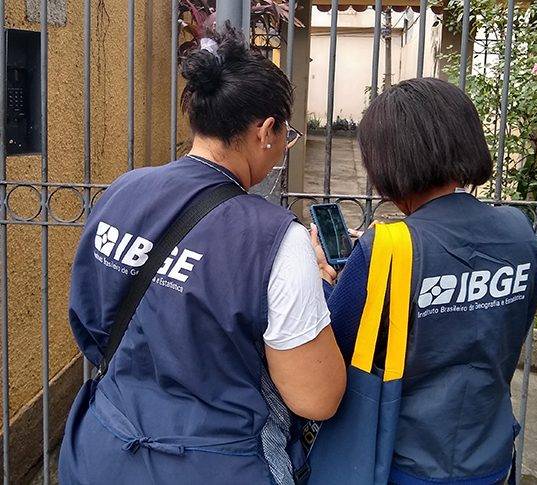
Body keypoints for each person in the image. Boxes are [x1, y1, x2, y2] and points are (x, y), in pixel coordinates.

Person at [59, 26, 345, 485]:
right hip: (217, 464)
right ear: (265, 131)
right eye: (285, 136)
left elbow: (89, 319)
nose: (281, 150)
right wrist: (317, 286)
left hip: (103, 450)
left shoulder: (123, 191)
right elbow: (316, 398)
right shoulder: (278, 240)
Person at [316, 78, 537, 484]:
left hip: (403, 464)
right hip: (492, 458)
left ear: (386, 162)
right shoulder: (518, 230)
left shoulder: (386, 247)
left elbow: (331, 351)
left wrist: (323, 277)